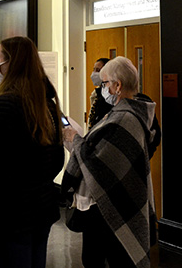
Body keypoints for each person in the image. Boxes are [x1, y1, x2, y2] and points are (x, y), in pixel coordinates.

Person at [0, 36, 64, 268]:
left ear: (12, 63)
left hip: (7, 215)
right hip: (40, 209)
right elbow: (57, 159)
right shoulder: (46, 103)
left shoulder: (4, 104)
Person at [62, 56, 160, 268]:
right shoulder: (132, 112)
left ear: (117, 86)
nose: (101, 87)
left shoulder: (123, 118)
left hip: (108, 206)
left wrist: (75, 139)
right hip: (117, 200)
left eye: (104, 83)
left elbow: (97, 163)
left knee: (101, 259)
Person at [87, 57, 111, 128]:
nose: (94, 73)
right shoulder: (97, 92)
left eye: (98, 70)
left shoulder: (110, 95)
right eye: (93, 70)